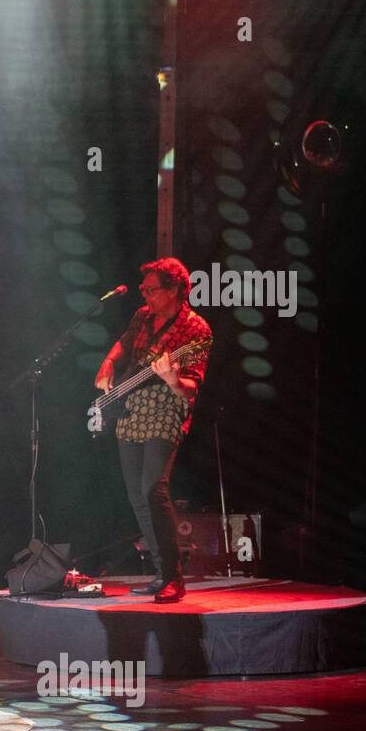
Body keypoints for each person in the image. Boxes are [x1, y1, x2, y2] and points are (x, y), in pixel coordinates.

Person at [94, 258, 212, 604]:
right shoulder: (143, 317)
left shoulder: (196, 331)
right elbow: (123, 344)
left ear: (175, 289)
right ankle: (161, 573)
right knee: (136, 495)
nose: (145, 294)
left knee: (153, 489)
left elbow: (191, 388)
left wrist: (173, 378)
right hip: (131, 412)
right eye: (143, 289)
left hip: (164, 412)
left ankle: (175, 577)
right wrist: (108, 363)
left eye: (151, 289)